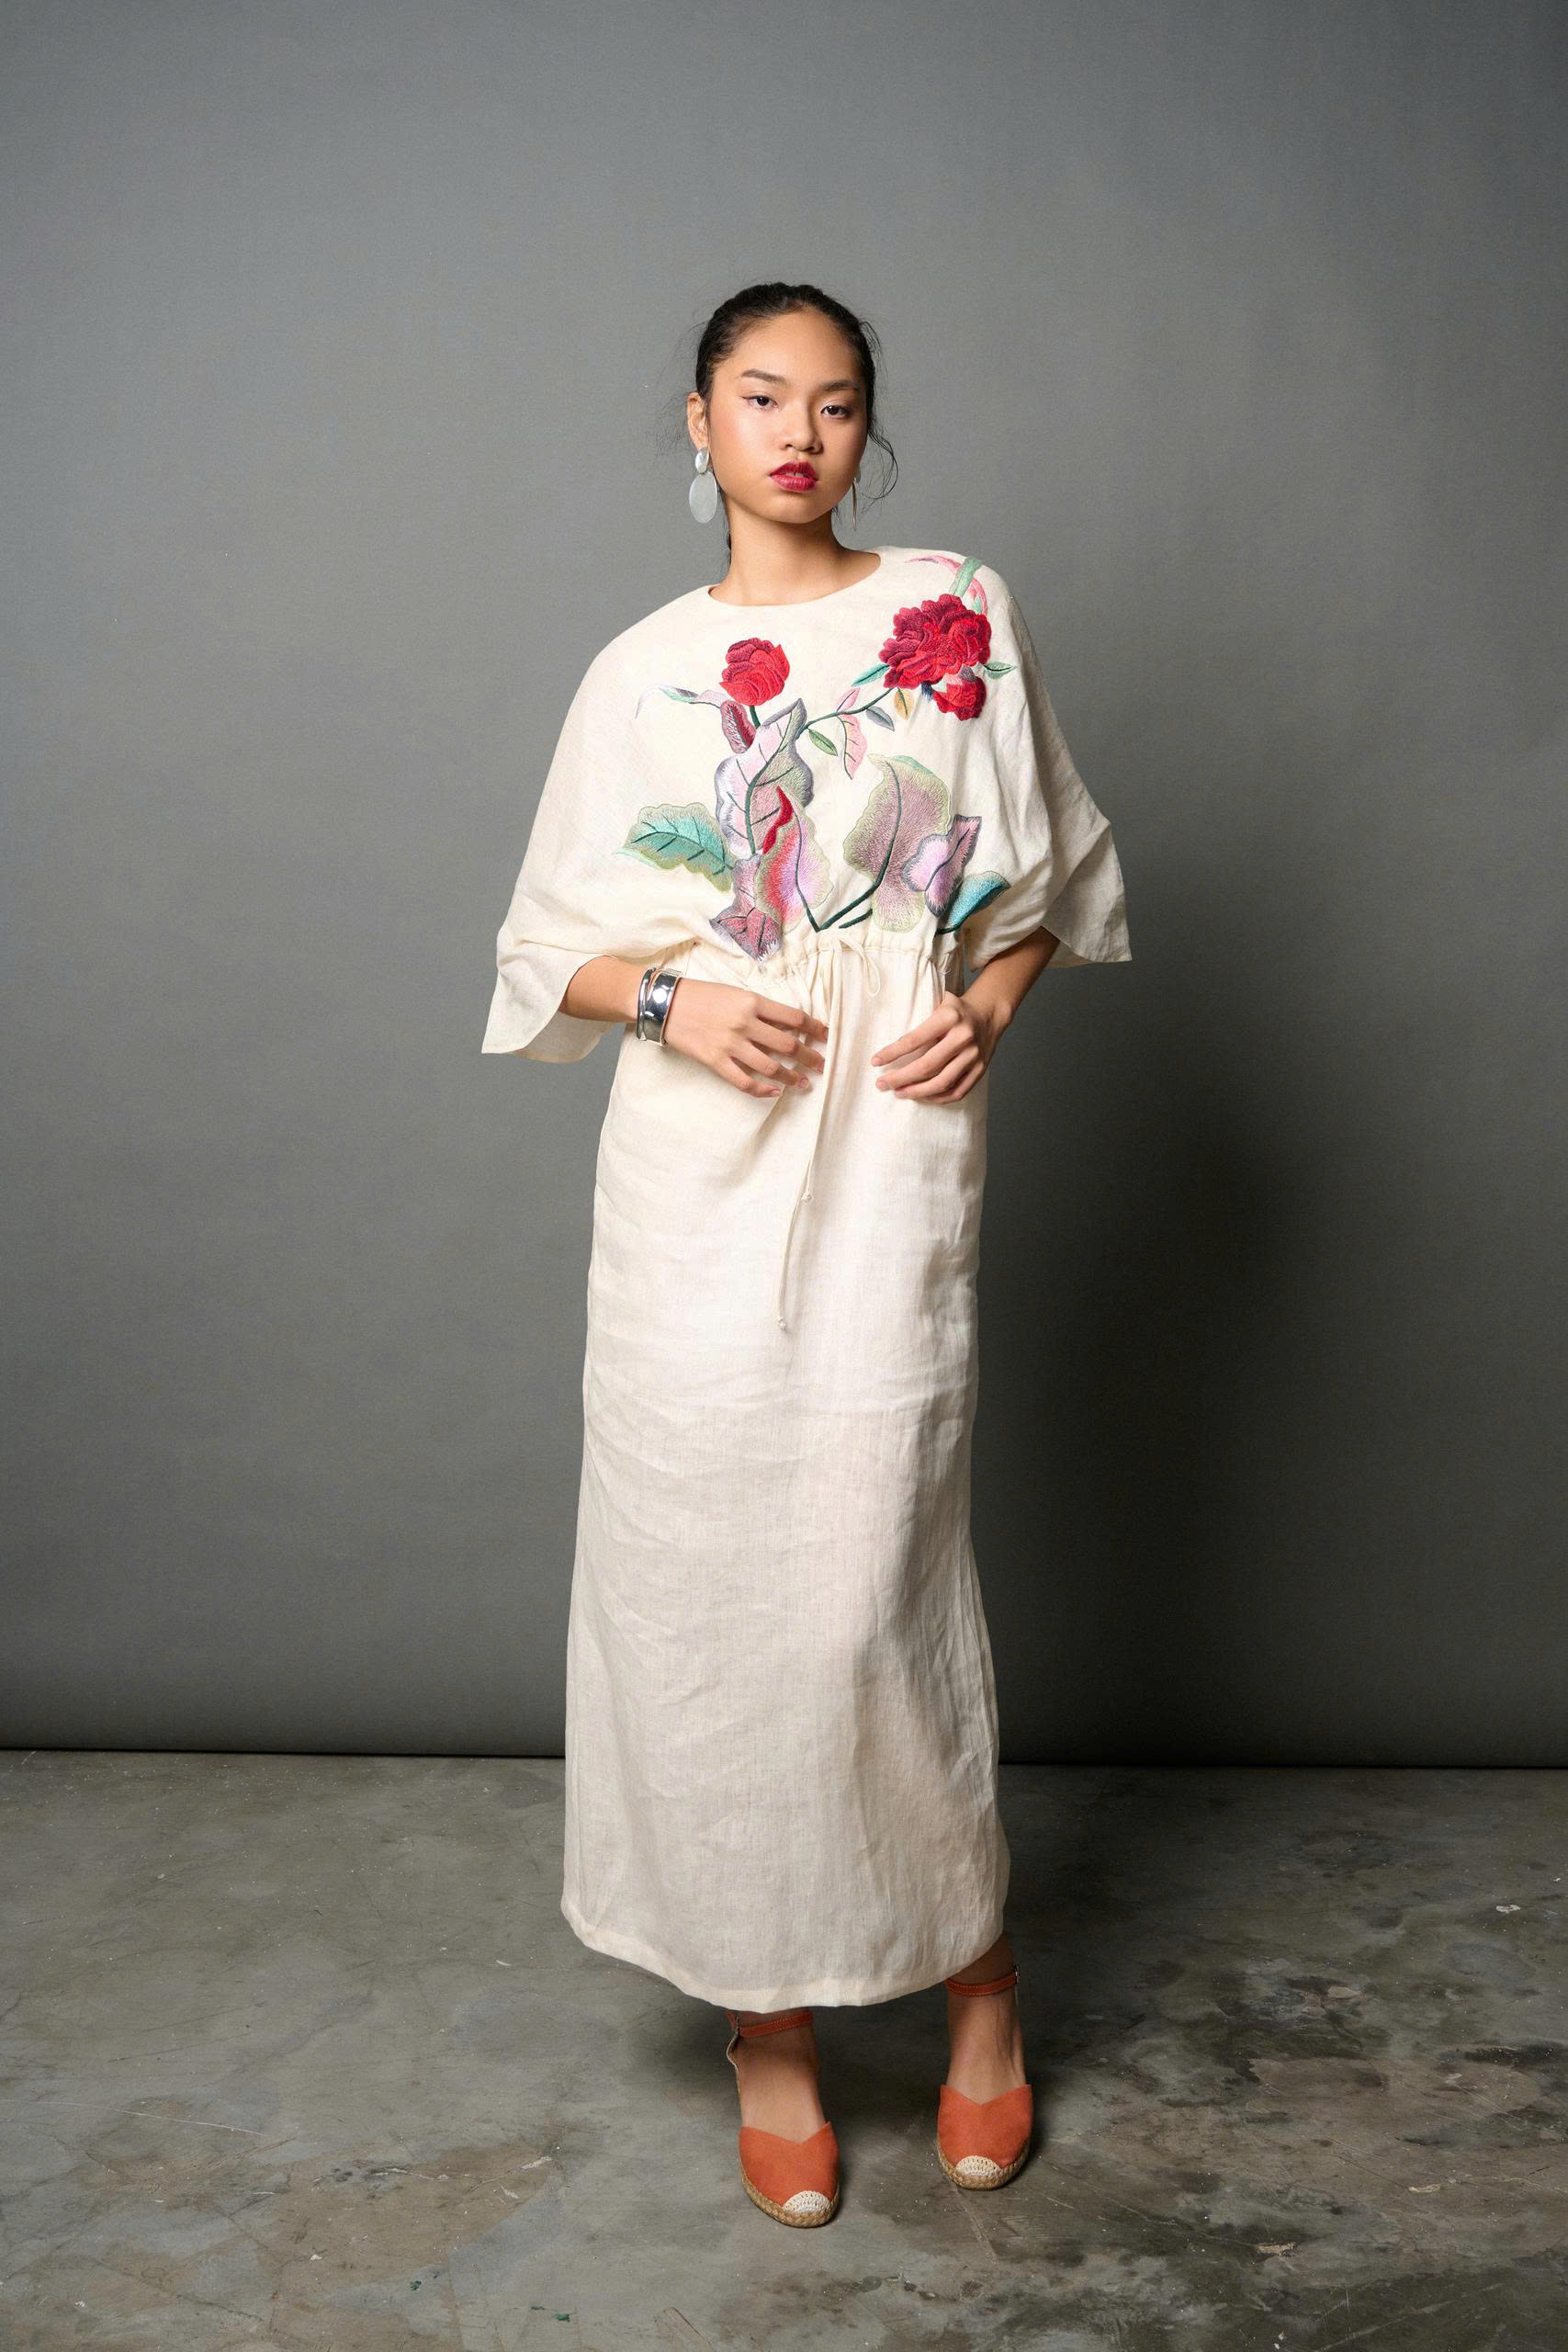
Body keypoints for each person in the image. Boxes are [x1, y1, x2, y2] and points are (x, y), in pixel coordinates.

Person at [481, 281, 1131, 2227]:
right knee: (693, 1587)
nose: (796, 431)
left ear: (866, 429)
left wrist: (985, 1009)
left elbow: (1044, 876)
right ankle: (761, 2024)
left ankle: (977, 1983)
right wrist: (670, 995)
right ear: (696, 421)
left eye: (834, 402)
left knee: (868, 1585)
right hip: (692, 1177)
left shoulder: (954, 612)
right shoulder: (639, 672)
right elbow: (541, 952)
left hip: (889, 1155)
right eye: (758, 396)